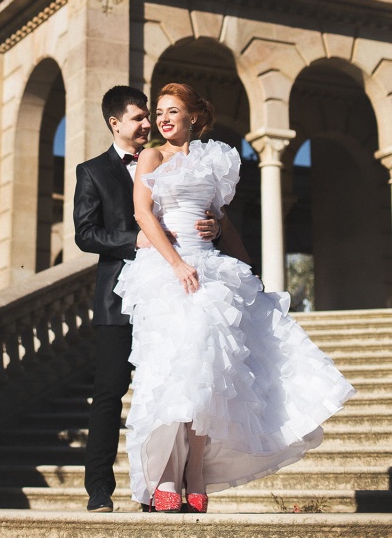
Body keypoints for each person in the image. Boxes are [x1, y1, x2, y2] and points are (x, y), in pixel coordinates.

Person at [115, 82, 355, 513]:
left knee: (207, 374)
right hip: (167, 272)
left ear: (192, 116)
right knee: (172, 371)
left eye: (172, 111)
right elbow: (142, 213)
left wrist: (224, 238)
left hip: (210, 270)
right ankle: (165, 474)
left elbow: (221, 218)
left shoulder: (216, 159)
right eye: (159, 112)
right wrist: (176, 264)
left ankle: (195, 473)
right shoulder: (151, 157)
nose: (163, 119)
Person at [73, 85, 222, 513]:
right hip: (119, 298)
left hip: (172, 291)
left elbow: (200, 209)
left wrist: (211, 224)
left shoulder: (170, 157)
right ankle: (99, 489)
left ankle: (159, 486)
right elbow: (85, 234)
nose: (147, 124)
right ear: (115, 123)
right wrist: (134, 239)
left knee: (172, 387)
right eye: (138, 118)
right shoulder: (92, 171)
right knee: (109, 392)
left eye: (148, 116)